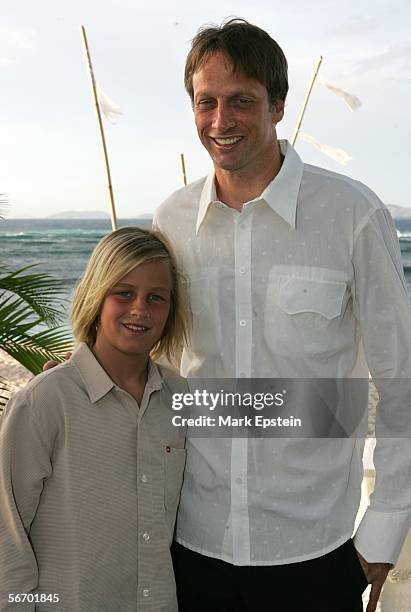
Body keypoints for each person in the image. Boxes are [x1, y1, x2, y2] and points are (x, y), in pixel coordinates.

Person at [153, 18, 411, 612]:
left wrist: (386, 524)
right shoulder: (170, 222)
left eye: (241, 101)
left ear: (278, 105)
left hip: (317, 551)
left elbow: (400, 379)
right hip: (192, 543)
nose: (221, 122)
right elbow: (162, 380)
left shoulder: (352, 214)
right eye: (206, 102)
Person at [0, 227, 190, 611]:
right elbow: (7, 536)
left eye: (157, 298)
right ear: (95, 296)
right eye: (124, 293)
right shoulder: (45, 401)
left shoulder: (181, 398)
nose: (140, 309)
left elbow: (286, 412)